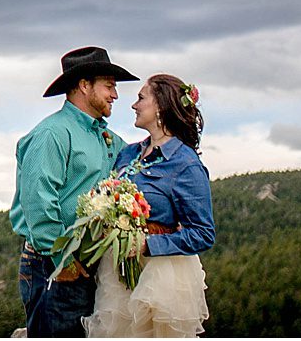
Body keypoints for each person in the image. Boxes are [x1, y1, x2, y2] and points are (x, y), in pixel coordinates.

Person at [12, 47, 138, 337]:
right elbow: (38, 201)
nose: (115, 95)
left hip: (91, 266)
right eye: (109, 86)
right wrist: (63, 261)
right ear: (84, 85)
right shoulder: (51, 134)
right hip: (52, 264)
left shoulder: (110, 139)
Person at [84, 73, 214, 338]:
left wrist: (147, 245)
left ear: (161, 107)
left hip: (160, 276)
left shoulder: (186, 164)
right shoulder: (128, 153)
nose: (134, 105)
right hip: (116, 272)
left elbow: (203, 233)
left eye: (141, 98)